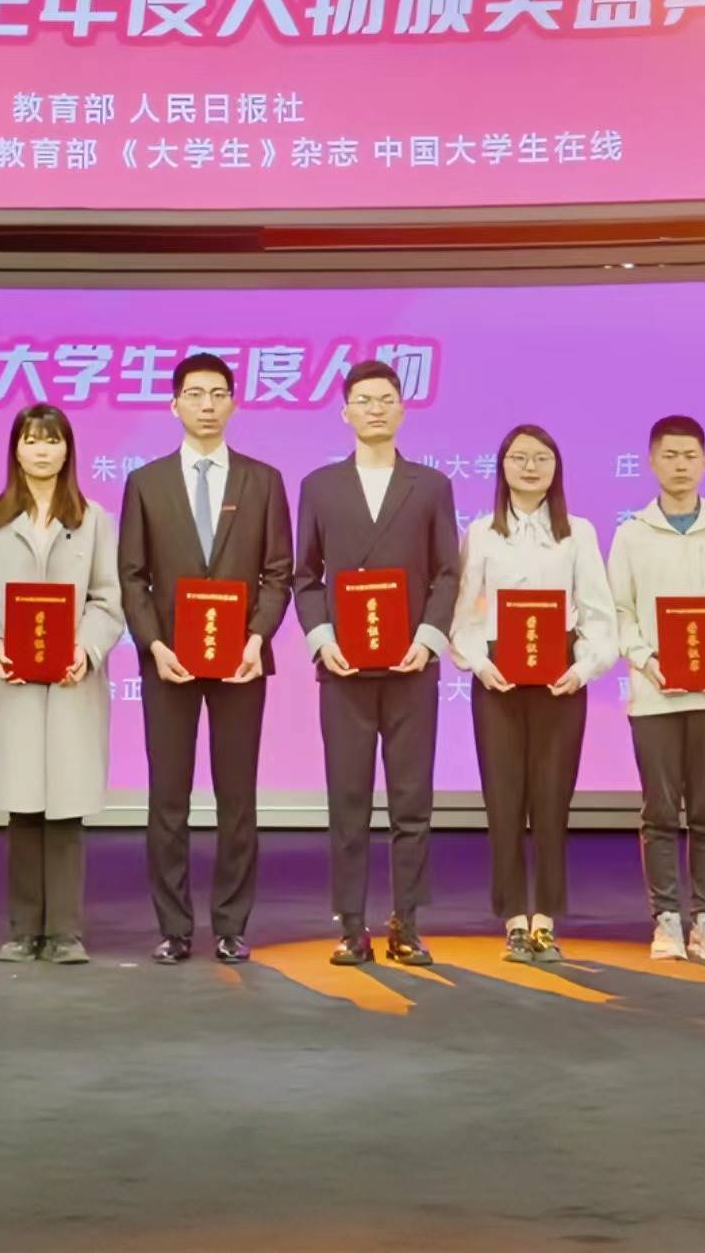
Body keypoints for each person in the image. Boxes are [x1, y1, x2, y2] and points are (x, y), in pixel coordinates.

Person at [118, 352, 293, 966]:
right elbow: (132, 576)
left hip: (241, 662)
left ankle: (230, 925)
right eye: (195, 394)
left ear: (234, 403)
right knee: (168, 798)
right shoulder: (146, 482)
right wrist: (154, 645)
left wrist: (257, 638)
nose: (207, 405)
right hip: (169, 662)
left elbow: (278, 573)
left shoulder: (262, 480)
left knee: (236, 798)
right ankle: (173, 927)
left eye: (218, 394)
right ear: (175, 405)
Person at [291, 359, 460, 967]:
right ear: (345, 412)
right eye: (363, 400)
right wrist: (322, 638)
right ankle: (351, 925)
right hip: (344, 669)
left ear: (402, 409)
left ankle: (407, 923)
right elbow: (305, 576)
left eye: (385, 398)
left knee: (412, 801)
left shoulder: (430, 485)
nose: (375, 409)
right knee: (348, 802)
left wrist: (429, 638)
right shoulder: (319, 485)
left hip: (412, 667)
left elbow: (447, 572)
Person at [0, 405, 127, 966]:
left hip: (73, 681)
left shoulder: (94, 520)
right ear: (16, 449)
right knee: (23, 808)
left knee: (66, 811)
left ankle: (65, 933)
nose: (42, 450)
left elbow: (108, 599)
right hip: (15, 682)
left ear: (67, 450)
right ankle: (24, 929)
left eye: (52, 441)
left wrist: (86, 649)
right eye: (32, 440)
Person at [449, 424, 614, 964]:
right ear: (501, 467)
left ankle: (545, 918)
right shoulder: (481, 534)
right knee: (503, 801)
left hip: (559, 680)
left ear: (556, 468)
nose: (530, 467)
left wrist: (583, 668)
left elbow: (598, 614)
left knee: (551, 801)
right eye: (519, 457)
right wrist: (480, 663)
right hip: (497, 679)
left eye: (541, 458)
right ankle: (513, 920)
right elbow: (462, 615)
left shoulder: (578, 533)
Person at [608, 415, 705, 963]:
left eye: (690, 455)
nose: (680, 465)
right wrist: (646, 661)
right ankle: (667, 918)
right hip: (655, 697)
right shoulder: (631, 533)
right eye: (669, 455)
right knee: (660, 811)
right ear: (651, 461)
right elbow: (618, 610)